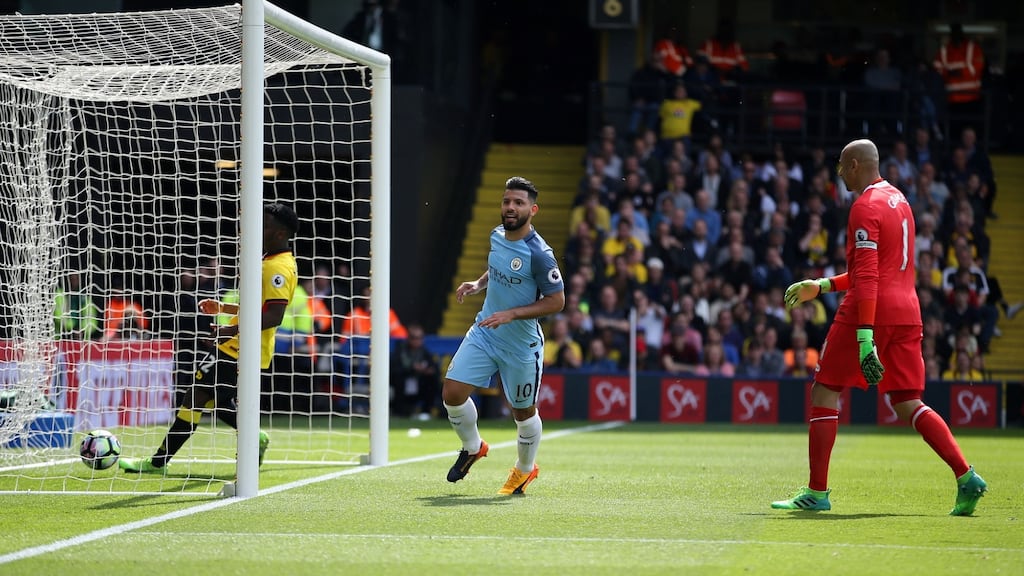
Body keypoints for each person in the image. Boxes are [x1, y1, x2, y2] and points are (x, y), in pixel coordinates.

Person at [772, 139, 987, 515]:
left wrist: (865, 336)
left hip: (869, 311)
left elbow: (868, 277)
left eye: (841, 166)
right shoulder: (899, 201)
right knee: (907, 403)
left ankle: (817, 492)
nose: (838, 173)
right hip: (908, 311)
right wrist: (820, 286)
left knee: (824, 391)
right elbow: (878, 269)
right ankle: (966, 476)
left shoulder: (863, 206)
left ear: (855, 164)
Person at [118, 202, 300, 474]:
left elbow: (274, 316)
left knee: (198, 395)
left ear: (281, 233)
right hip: (240, 345)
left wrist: (231, 330)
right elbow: (259, 309)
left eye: (265, 225)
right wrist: (224, 309)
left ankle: (158, 462)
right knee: (207, 396)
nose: (257, 229)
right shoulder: (271, 262)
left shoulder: (277, 269)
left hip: (242, 349)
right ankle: (251, 434)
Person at [443, 176, 565, 496]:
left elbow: (557, 301)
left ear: (532, 210)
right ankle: (473, 447)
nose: (510, 207)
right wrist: (478, 284)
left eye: (519, 203)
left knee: (522, 413)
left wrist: (512, 313)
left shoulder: (540, 254)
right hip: (486, 331)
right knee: (452, 394)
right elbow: (497, 268)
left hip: (520, 345)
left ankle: (525, 470)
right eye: (507, 201)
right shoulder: (497, 235)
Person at [389, 323, 441, 418]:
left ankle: (426, 412)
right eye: (414, 337)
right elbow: (394, 370)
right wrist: (412, 368)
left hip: (419, 385)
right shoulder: (400, 350)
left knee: (432, 380)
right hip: (402, 385)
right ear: (409, 338)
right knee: (399, 380)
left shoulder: (424, 352)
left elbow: (433, 368)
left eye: (420, 337)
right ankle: (400, 413)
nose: (417, 341)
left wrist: (426, 371)